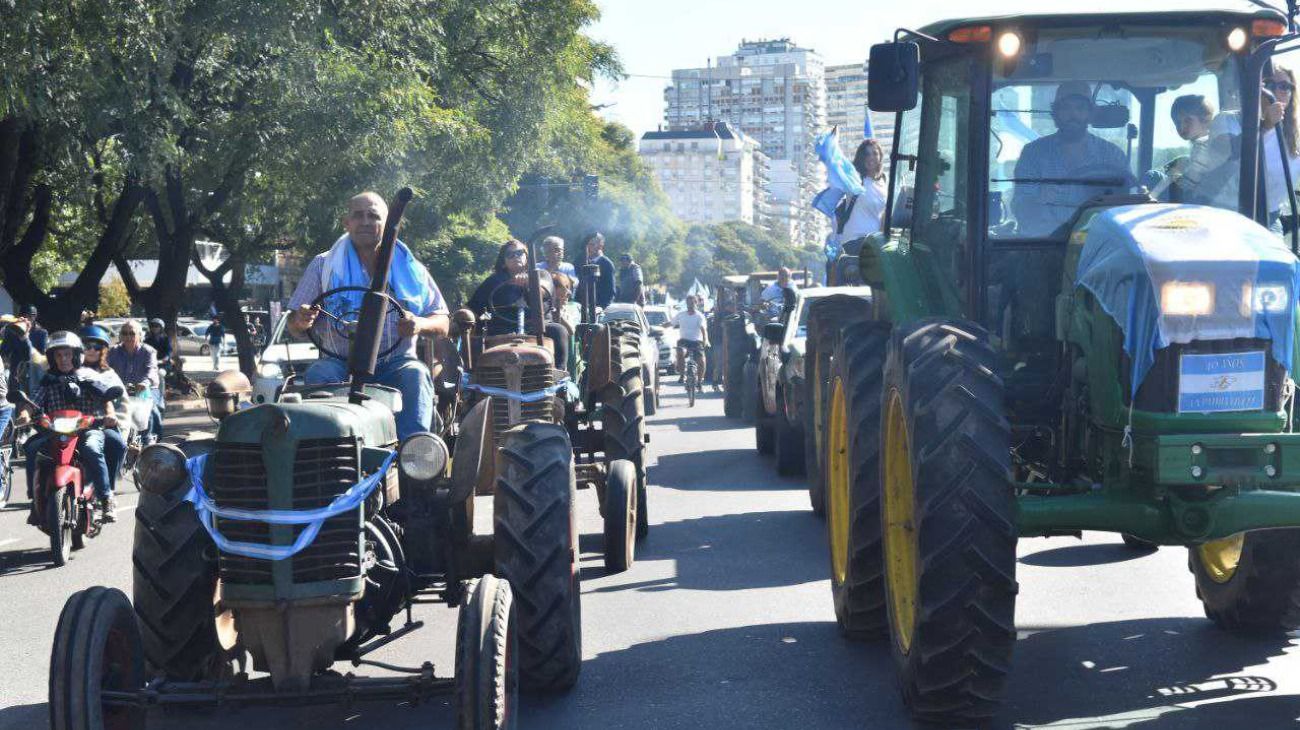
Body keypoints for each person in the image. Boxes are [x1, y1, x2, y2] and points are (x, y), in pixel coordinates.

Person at [287, 191, 449, 440]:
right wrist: (300, 320)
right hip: (338, 363)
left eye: (373, 216)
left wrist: (419, 324)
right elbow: (294, 325)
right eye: (358, 215)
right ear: (347, 223)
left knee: (415, 375)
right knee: (319, 374)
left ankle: (413, 460)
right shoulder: (323, 265)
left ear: (390, 224)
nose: (365, 222)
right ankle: (326, 454)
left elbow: (442, 321)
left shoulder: (413, 269)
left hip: (395, 364)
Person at [18, 332, 126, 522]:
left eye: (67, 354)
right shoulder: (47, 380)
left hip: (86, 429)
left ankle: (107, 498)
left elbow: (105, 397)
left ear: (76, 356)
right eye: (58, 355)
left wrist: (110, 415)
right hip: (53, 432)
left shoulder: (88, 375)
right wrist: (25, 413)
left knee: (92, 449)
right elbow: (33, 401)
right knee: (32, 448)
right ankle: (34, 503)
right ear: (52, 358)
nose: (63, 359)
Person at [1012, 81, 1131, 237]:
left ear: (1090, 114)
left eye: (1080, 108)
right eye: (1066, 108)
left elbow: (1126, 207)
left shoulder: (1112, 155)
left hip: (1096, 246)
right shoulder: (1033, 154)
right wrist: (1040, 199)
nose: (1073, 115)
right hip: (1043, 246)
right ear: (1055, 112)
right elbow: (1021, 210)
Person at [467, 239, 571, 372]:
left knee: (558, 330)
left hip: (537, 328)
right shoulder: (493, 281)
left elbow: (544, 290)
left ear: (527, 257)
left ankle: (560, 374)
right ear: (503, 262)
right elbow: (473, 307)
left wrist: (530, 282)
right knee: (478, 337)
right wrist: (462, 316)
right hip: (502, 330)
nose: (516, 256)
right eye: (510, 254)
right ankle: (475, 378)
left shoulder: (542, 275)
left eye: (520, 253)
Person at [80, 325, 134, 477]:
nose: (91, 350)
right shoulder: (68, 370)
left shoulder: (109, 374)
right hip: (70, 424)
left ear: (103, 351)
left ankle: (107, 489)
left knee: (116, 443)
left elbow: (120, 405)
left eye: (96, 347)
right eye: (86, 346)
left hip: (101, 424)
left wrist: (111, 418)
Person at [107, 320, 163, 445]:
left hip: (145, 390)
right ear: (120, 335)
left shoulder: (148, 351)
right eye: (125, 333)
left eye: (132, 333)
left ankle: (150, 442)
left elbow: (151, 370)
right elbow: (105, 370)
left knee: (153, 413)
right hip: (121, 392)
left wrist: (144, 383)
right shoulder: (113, 351)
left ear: (139, 335)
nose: (128, 337)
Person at [838, 138, 888, 242]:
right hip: (854, 240)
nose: (871, 157)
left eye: (875, 153)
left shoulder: (884, 181)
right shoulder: (855, 179)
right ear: (861, 158)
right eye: (866, 154)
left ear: (880, 157)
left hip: (875, 242)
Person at [575, 232, 616, 310]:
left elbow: (610, 291)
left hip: (598, 309)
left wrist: (602, 308)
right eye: (588, 244)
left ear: (600, 246)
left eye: (592, 244)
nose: (589, 247)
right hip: (580, 307)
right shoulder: (579, 261)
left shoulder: (607, 264)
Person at [672, 295, 709, 383]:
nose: (690, 305)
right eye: (688, 303)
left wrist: (705, 340)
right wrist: (660, 327)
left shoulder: (699, 316)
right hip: (684, 341)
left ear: (696, 304)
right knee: (680, 351)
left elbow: (703, 329)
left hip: (696, 342)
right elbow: (671, 323)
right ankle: (682, 375)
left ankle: (699, 381)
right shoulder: (681, 315)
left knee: (701, 360)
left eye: (692, 303)